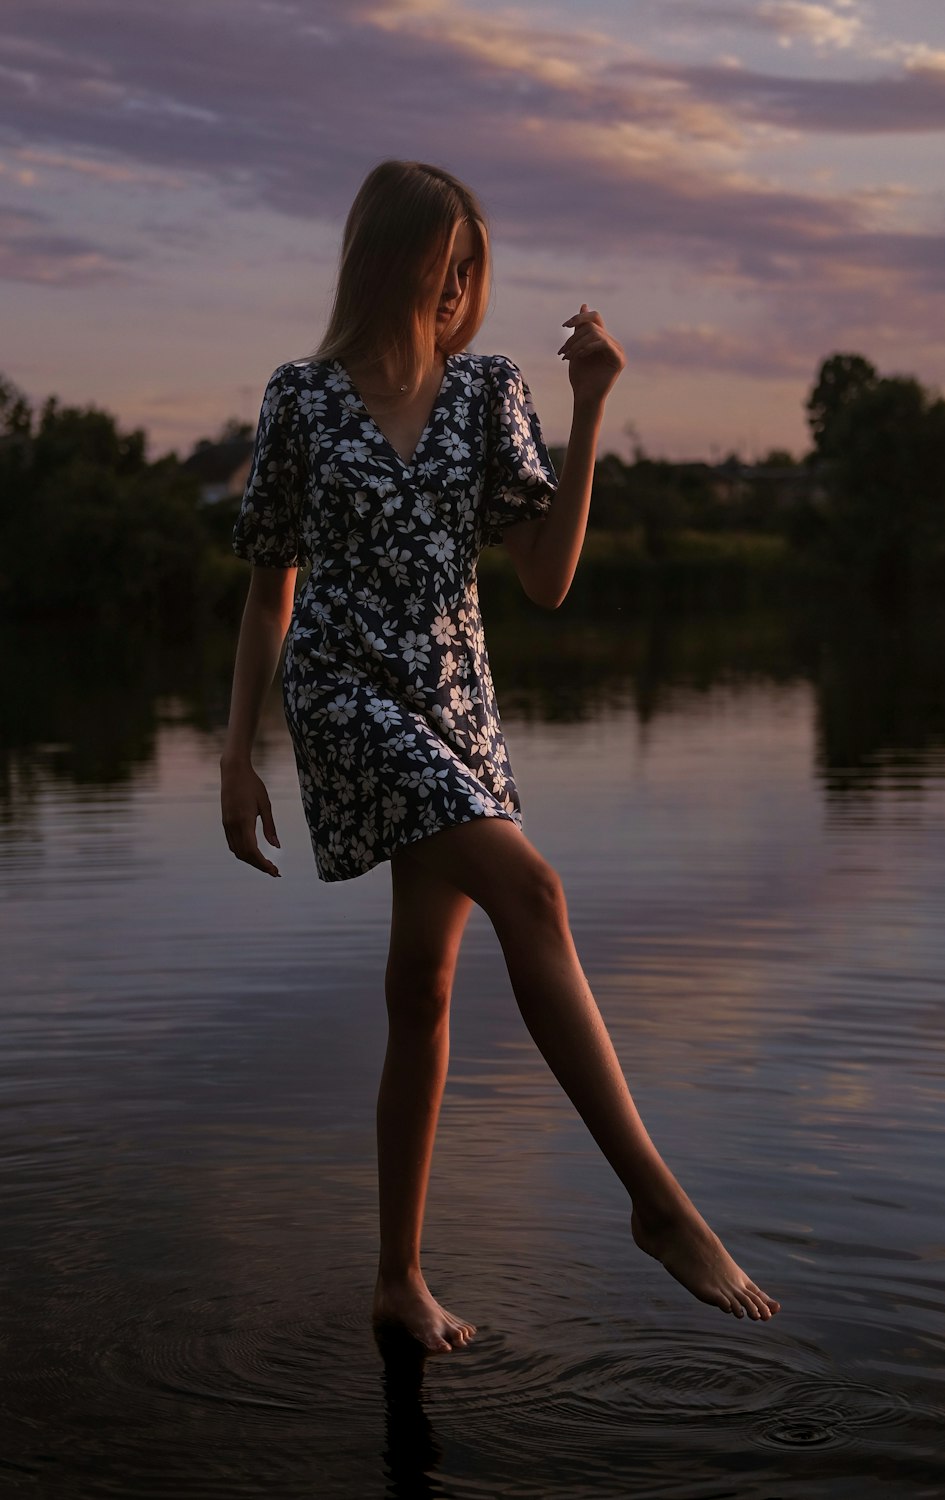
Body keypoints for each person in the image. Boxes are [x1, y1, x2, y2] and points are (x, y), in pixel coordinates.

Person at [221, 160, 779, 1354]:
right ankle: (657, 1203)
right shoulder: (301, 400)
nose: (461, 285)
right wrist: (235, 754)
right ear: (390, 259)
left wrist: (590, 412)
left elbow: (547, 579)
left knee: (422, 991)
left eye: (474, 266)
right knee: (535, 888)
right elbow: (271, 591)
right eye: (444, 260)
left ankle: (396, 1280)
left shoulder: (488, 394)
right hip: (345, 695)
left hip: (458, 705)